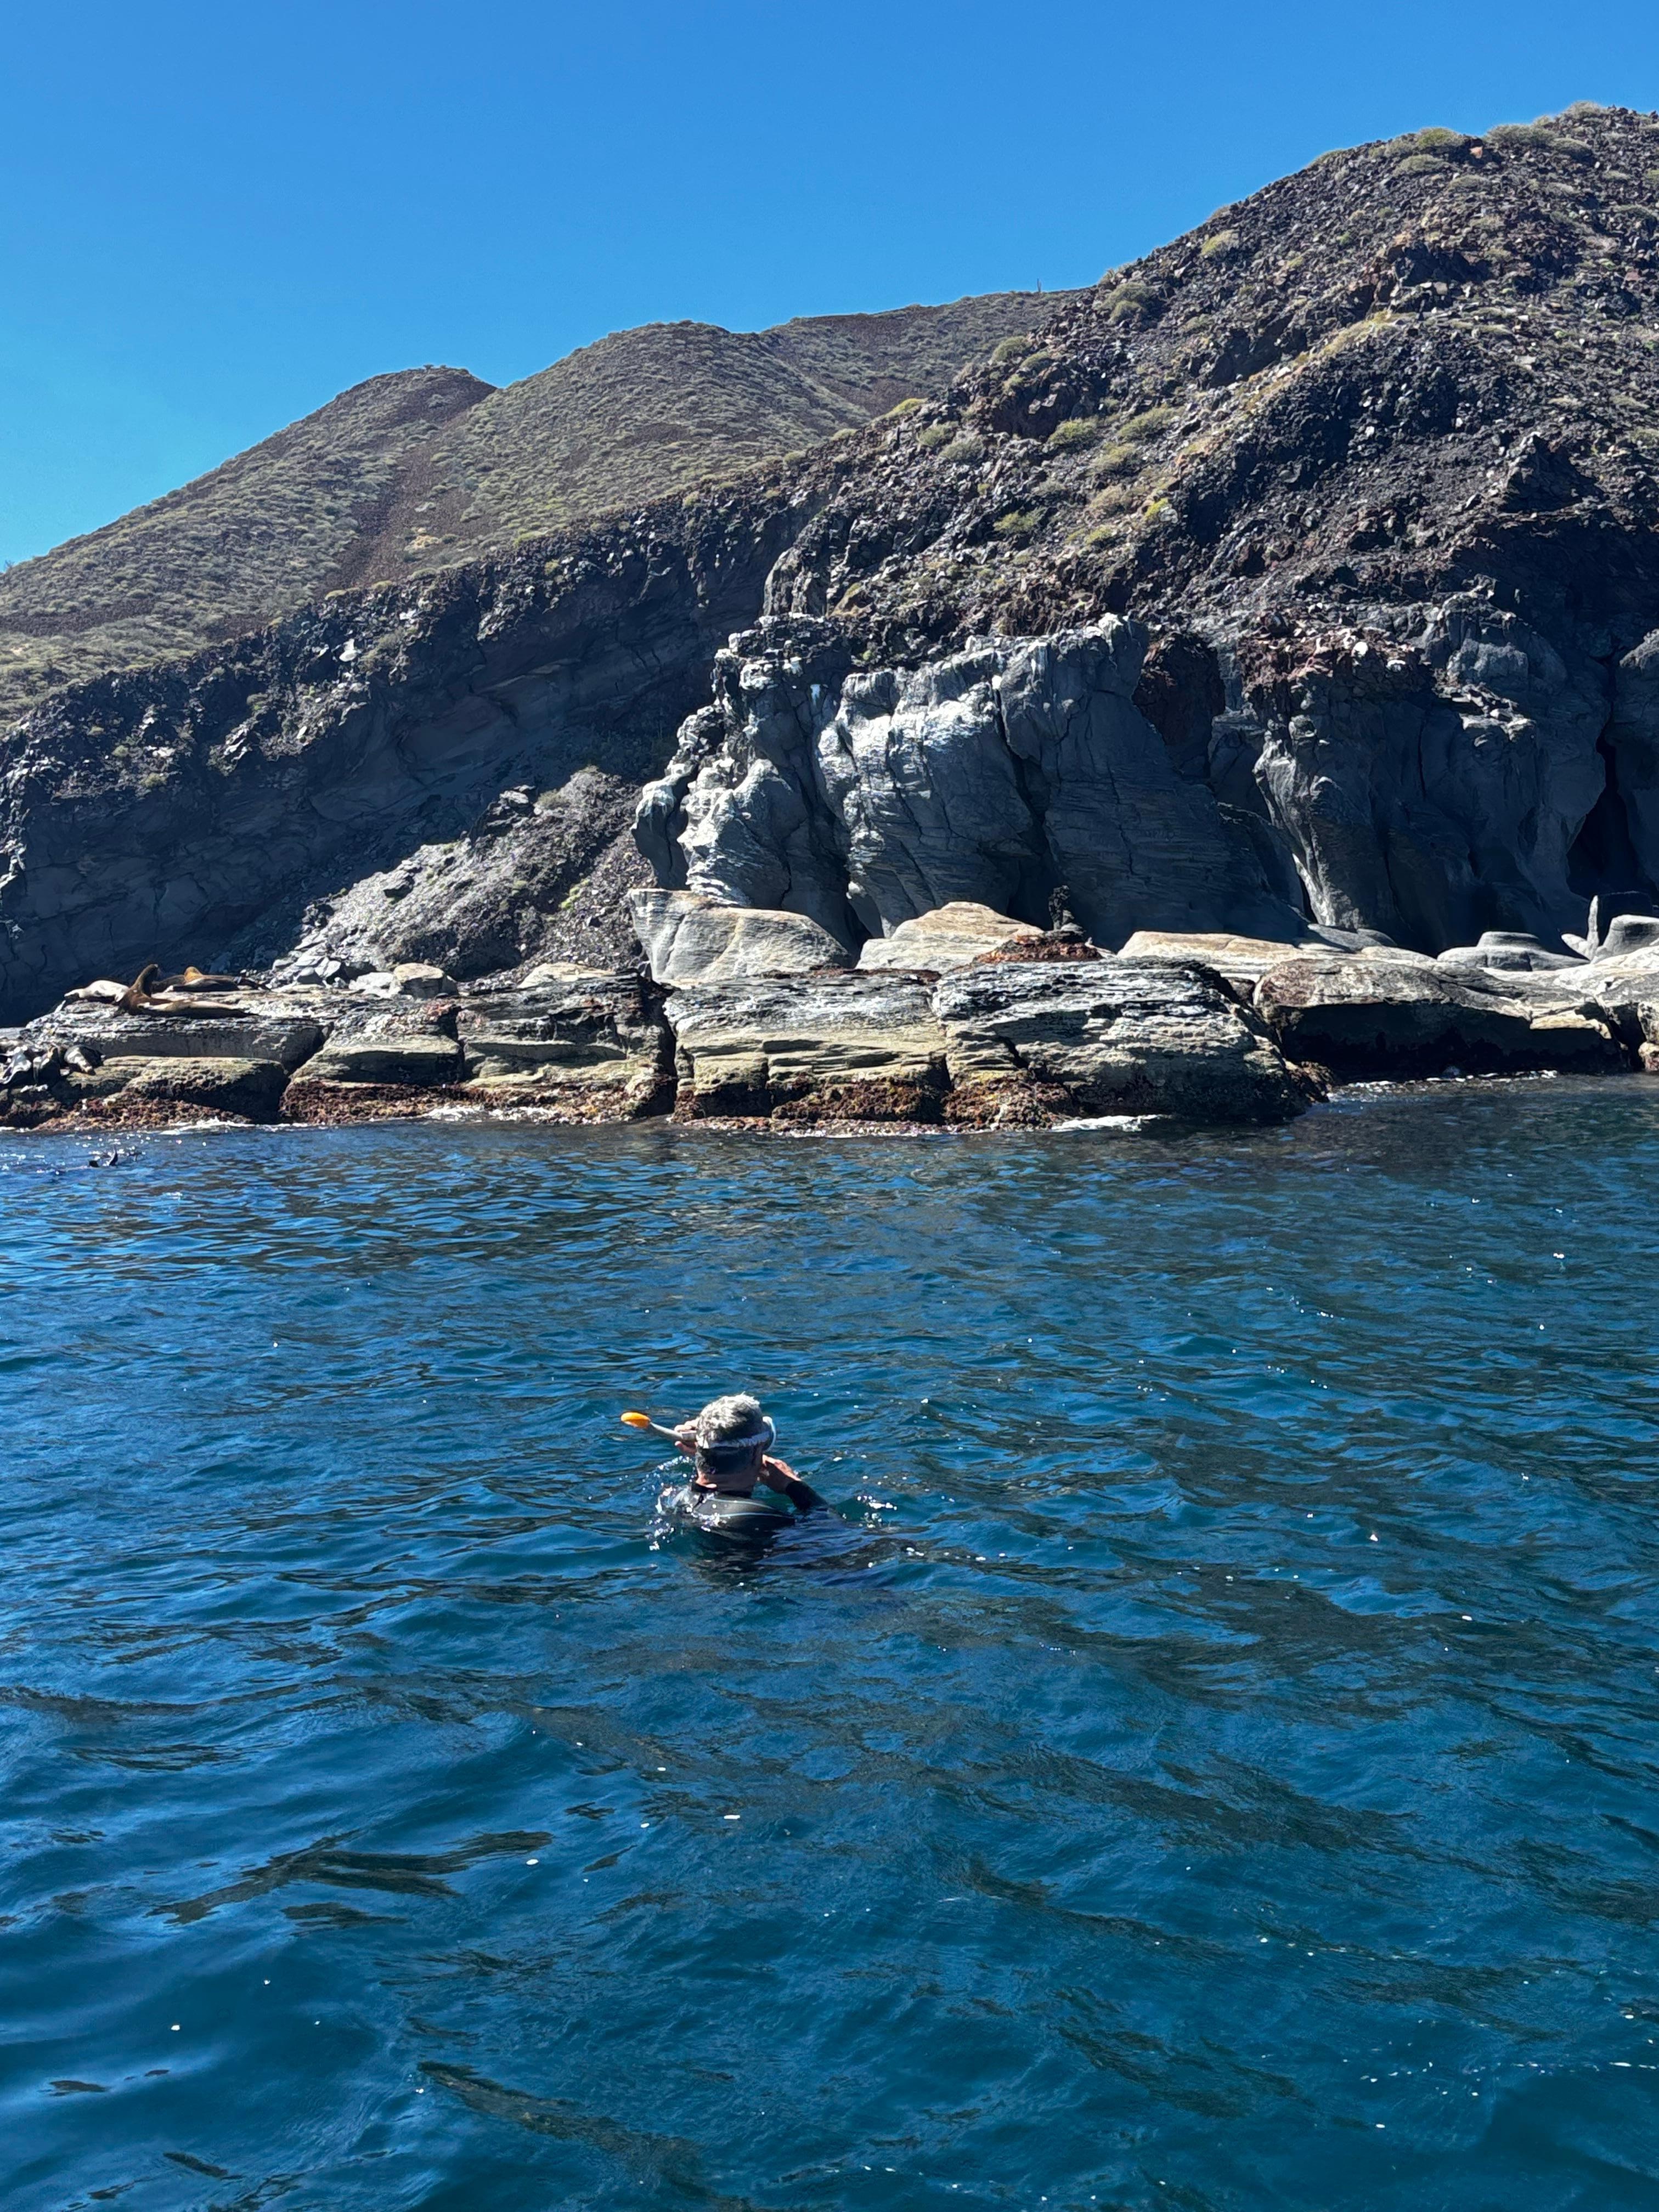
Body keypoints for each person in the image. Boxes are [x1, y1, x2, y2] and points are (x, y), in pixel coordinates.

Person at [673, 1394, 826, 1513]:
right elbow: (836, 1536)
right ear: (755, 1456)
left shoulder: (674, 1499)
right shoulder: (758, 1516)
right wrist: (793, 1485)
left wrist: (710, 1453)